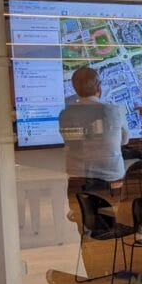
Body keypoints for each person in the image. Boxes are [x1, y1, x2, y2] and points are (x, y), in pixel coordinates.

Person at [58, 66, 130, 194]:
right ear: (99, 87)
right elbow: (124, 141)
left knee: (81, 211)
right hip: (111, 177)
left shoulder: (65, 114)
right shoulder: (113, 111)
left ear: (75, 89)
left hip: (77, 177)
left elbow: (72, 142)